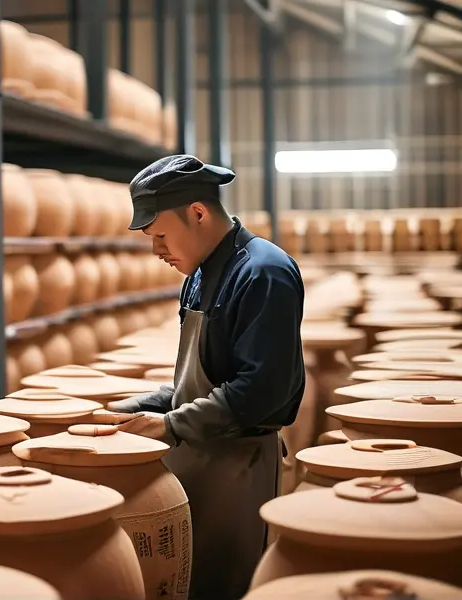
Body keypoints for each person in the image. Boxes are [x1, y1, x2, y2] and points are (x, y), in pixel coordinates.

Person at [108, 154, 305, 600]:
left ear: (197, 213)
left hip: (238, 463)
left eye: (159, 235)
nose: (156, 249)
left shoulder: (262, 272)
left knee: (225, 582)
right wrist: (144, 405)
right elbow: (204, 379)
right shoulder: (198, 274)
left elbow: (262, 390)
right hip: (197, 452)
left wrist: (171, 424)